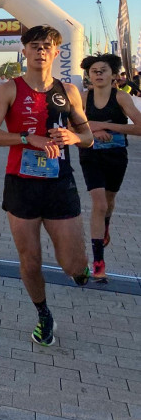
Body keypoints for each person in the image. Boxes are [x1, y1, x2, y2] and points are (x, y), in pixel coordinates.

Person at [0, 25, 93, 347]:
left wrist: (73, 137)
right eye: (35, 45)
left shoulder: (69, 91)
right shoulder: (9, 89)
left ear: (56, 52)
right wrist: (28, 138)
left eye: (47, 46)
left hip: (59, 183)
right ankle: (43, 314)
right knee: (30, 260)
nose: (41, 50)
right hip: (21, 185)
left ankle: (79, 266)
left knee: (72, 264)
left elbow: (86, 138)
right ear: (25, 51)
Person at [78, 53, 141, 280]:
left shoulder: (121, 98)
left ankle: (105, 225)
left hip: (116, 156)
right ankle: (98, 263)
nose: (98, 74)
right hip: (90, 155)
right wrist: (92, 131)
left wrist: (104, 125)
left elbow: (139, 128)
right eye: (94, 71)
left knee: (109, 201)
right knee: (99, 202)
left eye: (103, 70)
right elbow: (71, 126)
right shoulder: (83, 98)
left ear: (114, 74)